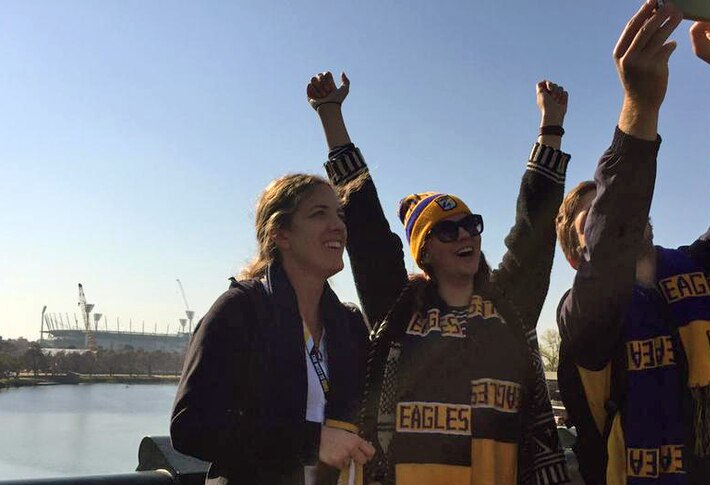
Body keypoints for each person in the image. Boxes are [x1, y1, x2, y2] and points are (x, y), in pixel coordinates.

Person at [554, 1, 710, 484]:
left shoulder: (709, 271)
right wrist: (640, 107)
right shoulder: (583, 317)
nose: (622, 212)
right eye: (592, 217)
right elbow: (613, 243)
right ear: (573, 252)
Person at [308, 71, 572, 485]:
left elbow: (533, 234)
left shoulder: (507, 306)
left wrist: (551, 128)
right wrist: (330, 116)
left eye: (471, 224)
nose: (465, 235)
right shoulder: (398, 307)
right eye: (447, 230)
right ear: (425, 251)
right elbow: (367, 229)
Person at [170, 173, 375, 484]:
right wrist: (311, 442)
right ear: (281, 234)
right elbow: (191, 428)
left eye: (339, 214)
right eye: (319, 214)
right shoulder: (240, 311)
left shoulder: (348, 325)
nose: (338, 226)